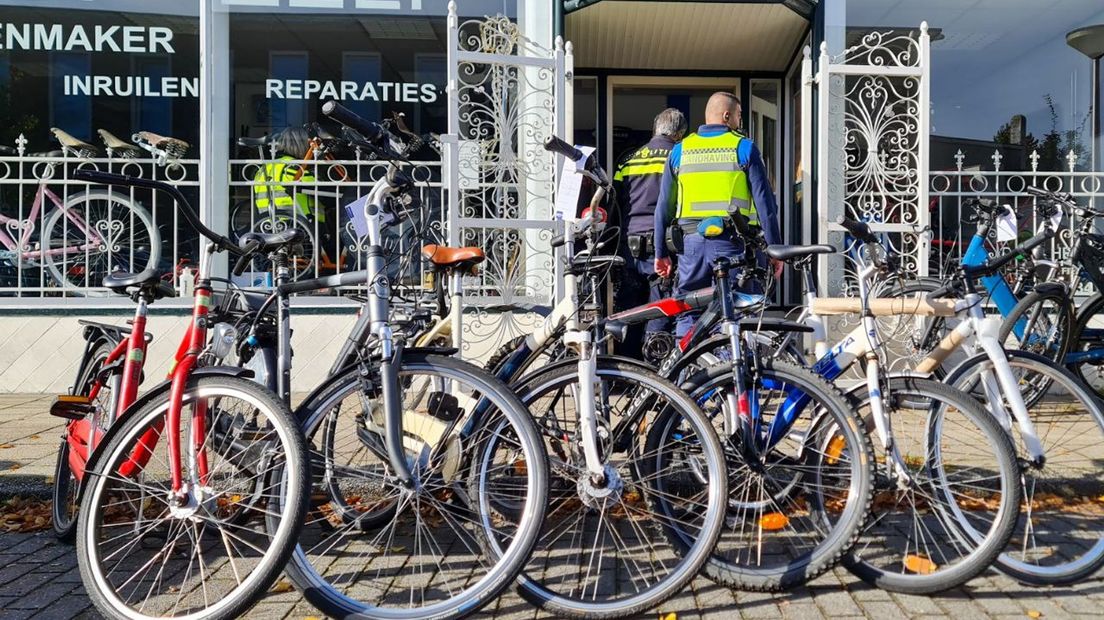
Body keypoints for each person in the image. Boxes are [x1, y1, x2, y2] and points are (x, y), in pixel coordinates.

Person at [653, 91, 782, 336]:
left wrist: (661, 253)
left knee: (689, 309)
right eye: (739, 116)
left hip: (691, 247)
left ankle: (686, 370)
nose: (739, 121)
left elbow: (664, 207)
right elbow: (765, 204)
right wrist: (775, 249)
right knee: (736, 308)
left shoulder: (681, 150)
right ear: (727, 116)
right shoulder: (743, 147)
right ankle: (728, 370)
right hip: (731, 244)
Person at [612, 108, 687, 360]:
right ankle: (655, 377)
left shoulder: (627, 159)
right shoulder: (680, 157)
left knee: (630, 314)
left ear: (655, 129)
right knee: (660, 312)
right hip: (663, 248)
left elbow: (615, 205)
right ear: (679, 133)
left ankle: (628, 374)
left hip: (629, 248)